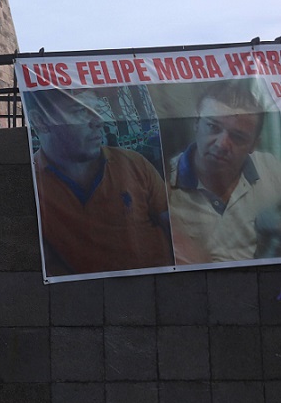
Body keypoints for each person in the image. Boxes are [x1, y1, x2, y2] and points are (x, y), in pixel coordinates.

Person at [25, 87, 172, 276]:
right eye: (80, 111)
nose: (98, 121)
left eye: (96, 109)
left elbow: (176, 232)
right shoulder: (32, 182)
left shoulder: (134, 164)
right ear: (41, 121)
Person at [166, 80, 281, 263]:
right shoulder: (163, 183)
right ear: (196, 123)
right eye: (213, 127)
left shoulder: (272, 170)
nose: (221, 144)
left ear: (253, 144)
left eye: (237, 136)